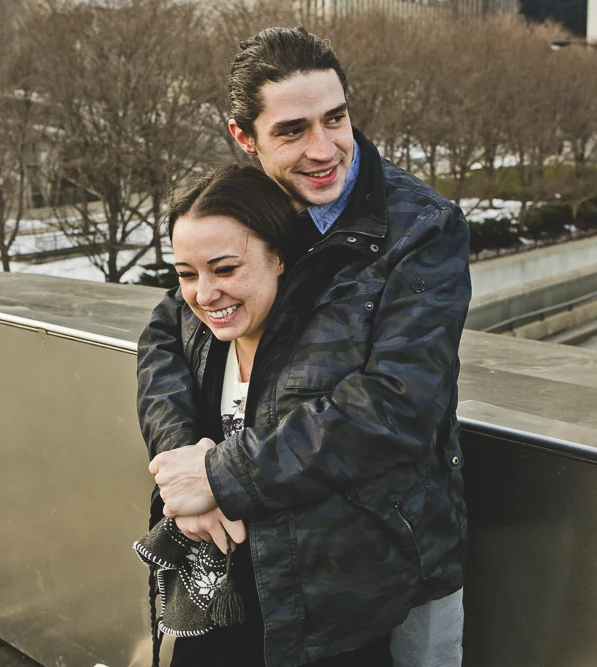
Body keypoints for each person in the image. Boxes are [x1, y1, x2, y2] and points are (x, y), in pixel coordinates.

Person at [137, 26, 471, 667]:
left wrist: (218, 476)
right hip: (246, 556)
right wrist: (181, 459)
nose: (325, 149)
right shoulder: (246, 209)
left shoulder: (422, 227)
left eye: (336, 119)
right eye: (292, 130)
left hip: (366, 566)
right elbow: (165, 331)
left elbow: (399, 404)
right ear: (244, 136)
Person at [137, 163, 392, 667]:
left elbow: (370, 428)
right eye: (187, 274)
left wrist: (216, 478)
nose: (205, 294)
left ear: (278, 256)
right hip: (215, 599)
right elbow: (158, 343)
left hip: (319, 617)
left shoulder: (336, 341)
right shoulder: (192, 330)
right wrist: (185, 461)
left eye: (226, 269)